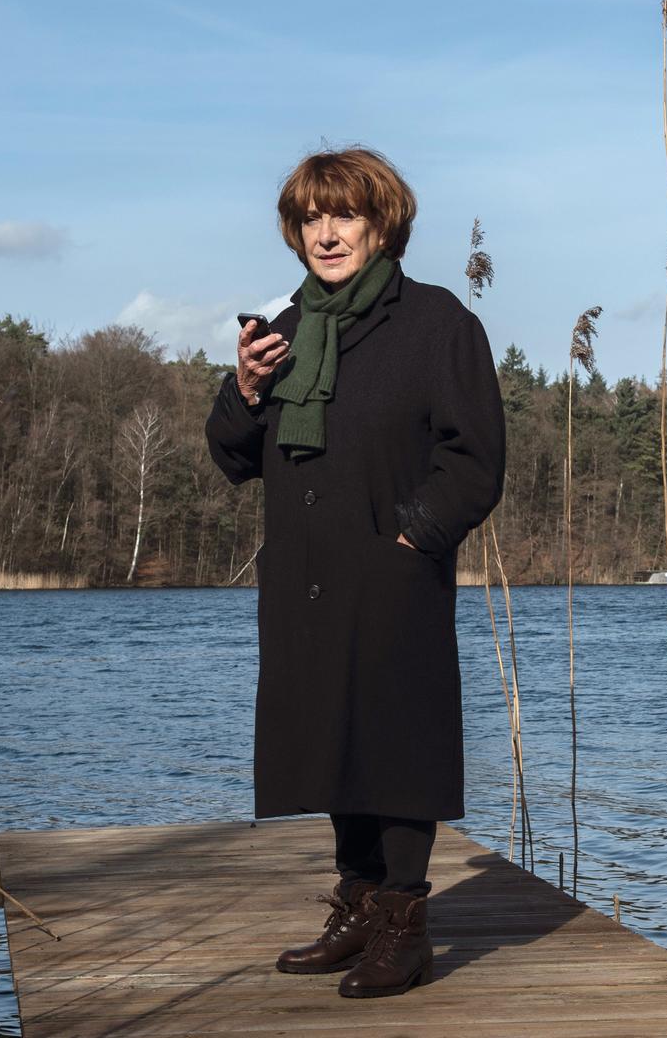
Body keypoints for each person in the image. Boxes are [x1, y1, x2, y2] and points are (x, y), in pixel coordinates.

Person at [204, 146, 505, 998]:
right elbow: (234, 456)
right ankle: (359, 906)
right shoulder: (287, 327)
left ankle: (404, 927)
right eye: (310, 219)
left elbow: (475, 459)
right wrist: (246, 391)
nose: (325, 234)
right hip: (304, 574)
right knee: (335, 740)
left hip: (390, 573)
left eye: (343, 216)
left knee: (396, 743)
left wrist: (413, 537)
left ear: (381, 223)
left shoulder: (438, 324)